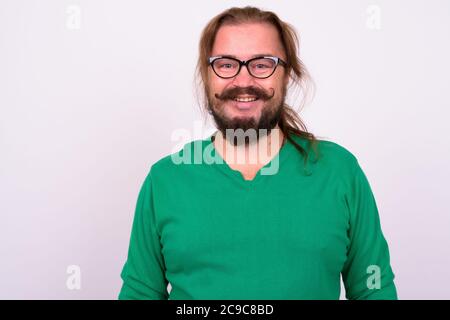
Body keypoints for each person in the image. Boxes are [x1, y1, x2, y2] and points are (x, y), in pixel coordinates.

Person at [118, 6, 397, 300]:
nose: (243, 81)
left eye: (262, 64)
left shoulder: (339, 171)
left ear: (286, 74)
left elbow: (373, 290)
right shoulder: (166, 180)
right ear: (207, 75)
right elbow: (140, 292)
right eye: (226, 64)